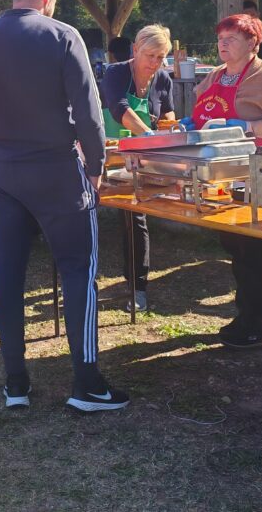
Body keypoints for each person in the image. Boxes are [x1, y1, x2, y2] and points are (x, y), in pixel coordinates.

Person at [0, 0, 129, 413]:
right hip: (57, 170)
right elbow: (89, 111)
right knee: (79, 271)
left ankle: (15, 381)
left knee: (8, 271)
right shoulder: (62, 35)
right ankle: (88, 382)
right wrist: (96, 164)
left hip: (5, 172)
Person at [183, 14, 262, 349]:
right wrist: (190, 122)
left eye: (232, 38)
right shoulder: (216, 75)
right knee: (233, 245)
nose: (222, 44)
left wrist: (244, 126)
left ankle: (258, 324)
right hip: (218, 174)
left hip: (255, 174)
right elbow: (201, 112)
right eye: (220, 38)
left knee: (254, 248)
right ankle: (244, 315)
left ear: (252, 43)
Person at [99, 24, 175, 313]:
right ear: (136, 50)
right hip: (107, 159)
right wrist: (149, 135)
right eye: (150, 55)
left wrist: (172, 129)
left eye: (160, 57)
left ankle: (137, 288)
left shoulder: (163, 79)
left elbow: (167, 115)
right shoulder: (117, 72)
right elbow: (119, 109)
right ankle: (83, 283)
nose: (154, 63)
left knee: (136, 218)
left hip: (140, 162)